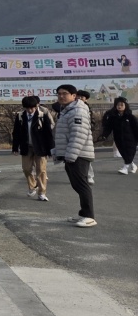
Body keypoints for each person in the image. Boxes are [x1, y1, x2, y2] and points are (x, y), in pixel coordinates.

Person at [53, 84, 96, 227]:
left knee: (82, 185)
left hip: (78, 154)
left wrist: (71, 155)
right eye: (59, 93)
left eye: (65, 93)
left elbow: (79, 135)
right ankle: (83, 213)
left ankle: (89, 216)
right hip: (72, 154)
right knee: (77, 185)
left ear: (74, 95)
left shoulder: (78, 111)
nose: (61, 96)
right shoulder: (67, 110)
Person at [11, 96, 54, 199]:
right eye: (27, 108)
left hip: (40, 147)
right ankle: (32, 186)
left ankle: (42, 192)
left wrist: (51, 149)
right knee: (26, 169)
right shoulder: (20, 116)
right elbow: (16, 133)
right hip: (26, 147)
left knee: (41, 170)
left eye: (32, 108)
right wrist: (15, 147)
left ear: (36, 106)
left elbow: (48, 133)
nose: (30, 110)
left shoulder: (42, 116)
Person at [102, 97, 138, 175]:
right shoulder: (113, 118)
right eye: (118, 105)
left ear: (125, 106)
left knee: (129, 152)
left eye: (122, 105)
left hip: (130, 139)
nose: (120, 106)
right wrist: (104, 135)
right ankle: (133, 165)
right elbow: (108, 128)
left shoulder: (130, 117)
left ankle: (125, 168)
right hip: (119, 139)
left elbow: (136, 128)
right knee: (124, 154)